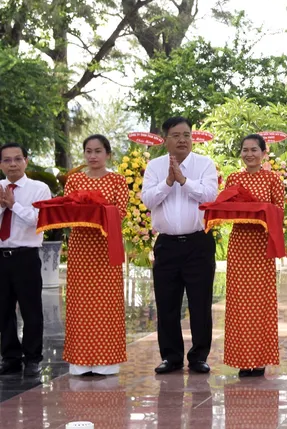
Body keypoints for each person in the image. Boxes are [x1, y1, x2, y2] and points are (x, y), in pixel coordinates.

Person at [141, 116, 219, 375]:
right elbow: (148, 201)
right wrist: (168, 182)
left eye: (187, 134)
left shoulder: (205, 165)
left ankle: (198, 356)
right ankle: (171, 357)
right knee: (167, 303)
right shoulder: (154, 166)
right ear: (166, 140)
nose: (183, 139)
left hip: (198, 243)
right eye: (176, 135)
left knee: (200, 303)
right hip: (167, 245)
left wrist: (184, 181)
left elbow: (210, 197)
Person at [62, 135, 129, 376]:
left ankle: (107, 361)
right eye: (88, 151)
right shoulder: (75, 180)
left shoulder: (118, 181)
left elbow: (120, 212)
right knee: (80, 303)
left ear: (108, 154)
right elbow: (67, 210)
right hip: (81, 248)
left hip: (106, 247)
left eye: (98, 151)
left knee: (106, 303)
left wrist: (96, 209)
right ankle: (80, 360)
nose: (93, 156)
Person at [222, 134, 285, 378]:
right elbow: (226, 208)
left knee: (261, 303)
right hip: (239, 245)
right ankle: (241, 358)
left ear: (263, 152)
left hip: (262, 246)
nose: (249, 154)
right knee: (239, 303)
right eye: (245, 149)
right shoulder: (233, 179)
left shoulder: (272, 179)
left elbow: (279, 212)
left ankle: (259, 359)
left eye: (254, 149)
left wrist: (262, 212)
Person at [0, 143, 51, 377]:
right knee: (3, 310)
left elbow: (38, 221)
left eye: (17, 159)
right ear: (1, 164)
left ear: (26, 161)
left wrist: (13, 205)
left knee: (31, 309)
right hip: (1, 256)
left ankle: (33, 358)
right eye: (7, 160)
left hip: (26, 256)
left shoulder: (38, 188)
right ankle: (10, 357)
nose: (12, 164)